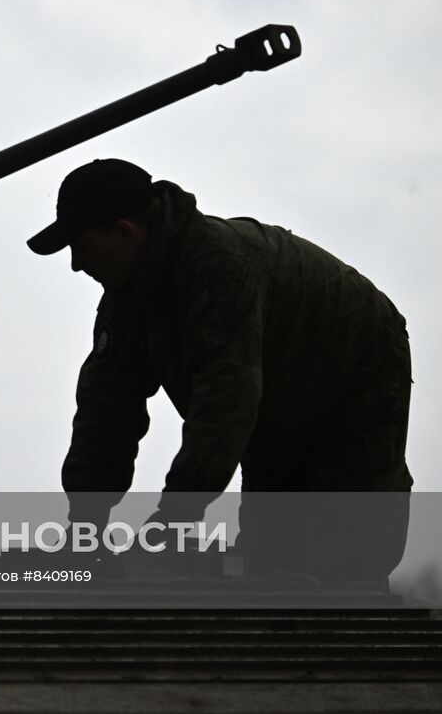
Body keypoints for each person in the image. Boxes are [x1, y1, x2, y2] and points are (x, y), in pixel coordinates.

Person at [28, 158, 412, 577]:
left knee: (351, 556)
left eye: (80, 247)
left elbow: (225, 407)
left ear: (124, 233)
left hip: (357, 369)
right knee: (272, 554)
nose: (76, 265)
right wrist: (85, 527)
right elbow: (105, 413)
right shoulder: (125, 300)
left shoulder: (221, 273)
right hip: (276, 401)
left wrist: (171, 524)